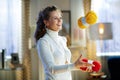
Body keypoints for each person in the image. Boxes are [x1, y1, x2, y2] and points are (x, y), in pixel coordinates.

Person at [34, 5, 93, 80]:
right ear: (46, 22)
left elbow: (66, 66)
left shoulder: (63, 40)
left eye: (60, 18)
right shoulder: (43, 42)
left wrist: (79, 66)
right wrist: (74, 66)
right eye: (55, 18)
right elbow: (51, 69)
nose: (59, 21)